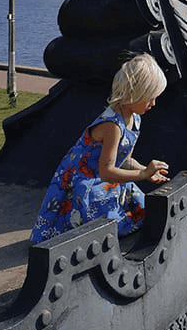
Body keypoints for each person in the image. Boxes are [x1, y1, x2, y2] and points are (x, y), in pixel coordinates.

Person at [31, 54, 170, 243]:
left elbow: (125, 160)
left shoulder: (134, 118)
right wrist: (143, 174)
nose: (153, 104)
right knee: (113, 222)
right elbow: (106, 172)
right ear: (134, 93)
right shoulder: (112, 126)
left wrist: (145, 171)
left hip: (103, 176)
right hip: (85, 180)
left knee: (144, 208)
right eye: (150, 98)